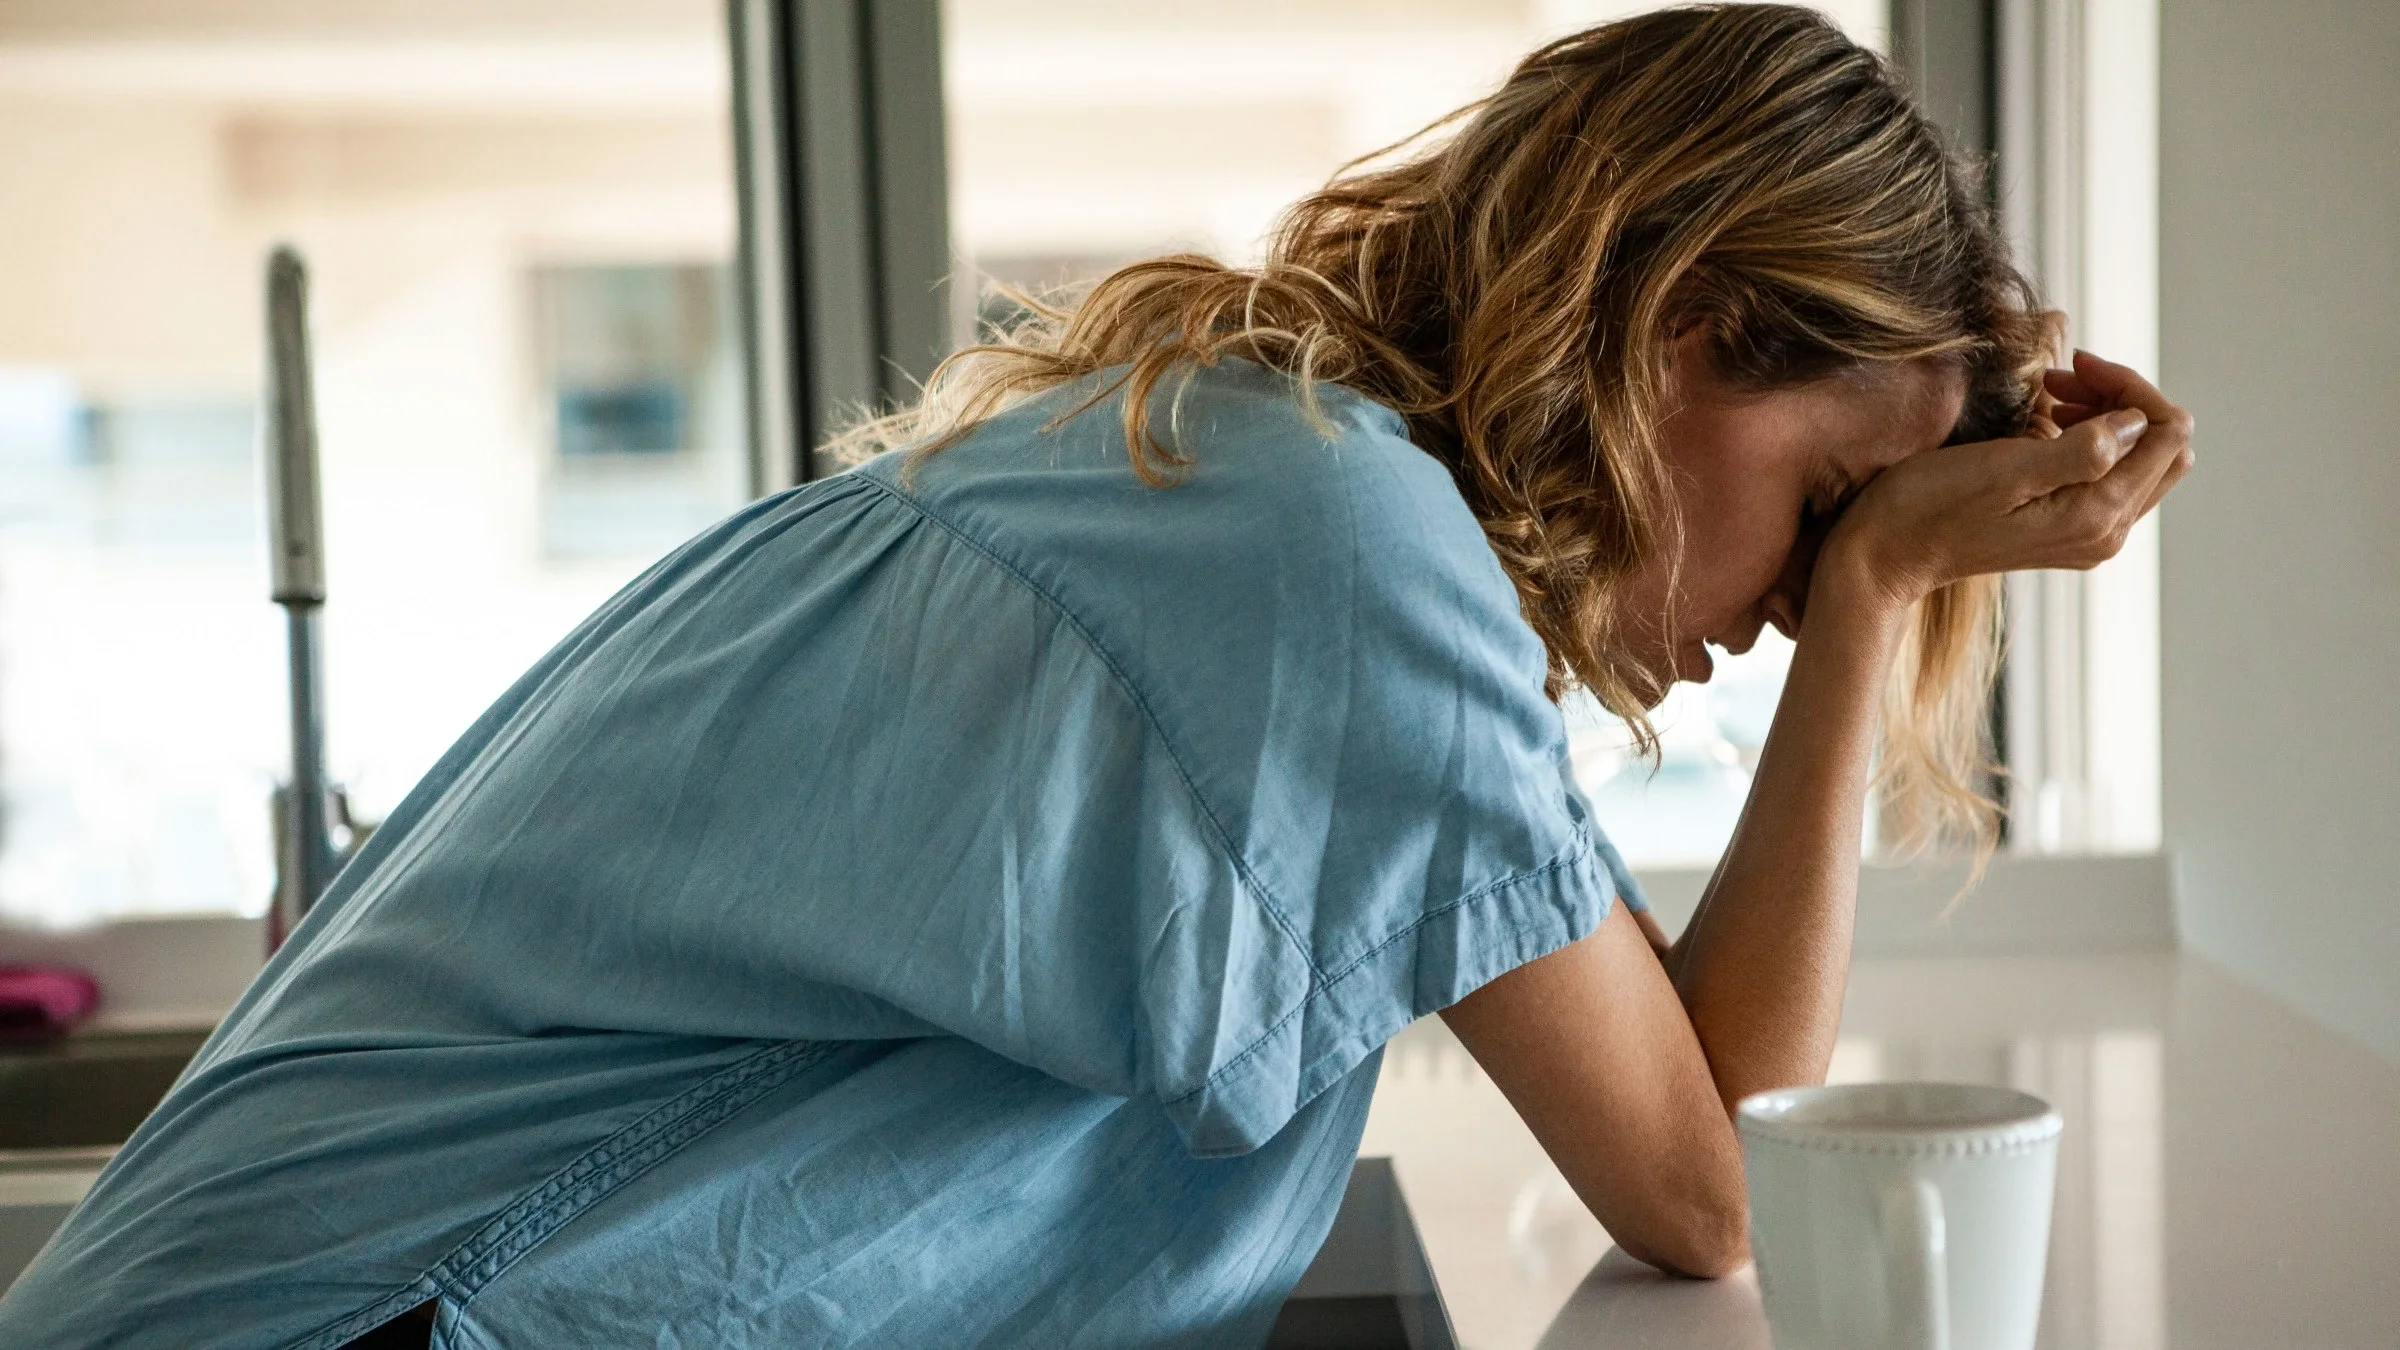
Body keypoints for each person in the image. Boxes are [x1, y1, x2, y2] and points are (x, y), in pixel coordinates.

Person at [0, 6, 2190, 1346]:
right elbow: (1712, 1184)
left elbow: (1702, 1107)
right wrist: (1897, 583)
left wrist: (1883, 540)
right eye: (1820, 511)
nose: (1807, 607)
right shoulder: (1336, 552)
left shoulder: (1268, 477)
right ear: (1690, 324)